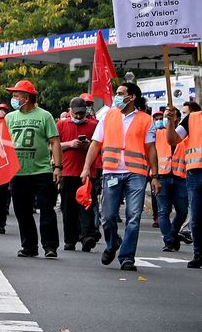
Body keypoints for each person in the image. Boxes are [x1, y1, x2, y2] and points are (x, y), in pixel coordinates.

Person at [81, 82, 159, 271]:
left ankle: (127, 257)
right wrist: (86, 168)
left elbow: (151, 149)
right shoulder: (108, 116)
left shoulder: (146, 120)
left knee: (134, 216)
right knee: (108, 217)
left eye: (120, 93)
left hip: (136, 174)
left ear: (131, 97)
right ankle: (112, 243)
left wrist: (155, 176)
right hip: (111, 172)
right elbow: (95, 144)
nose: (116, 96)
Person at [3, 80, 62, 259]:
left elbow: (54, 142)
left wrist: (58, 167)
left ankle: (50, 246)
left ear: (26, 98)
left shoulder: (45, 116)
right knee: (22, 211)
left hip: (42, 171)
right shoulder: (9, 117)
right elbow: (4, 142)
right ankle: (29, 246)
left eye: (16, 95)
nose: (13, 98)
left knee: (46, 209)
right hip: (18, 172)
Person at [57, 96, 100, 252]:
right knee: (68, 208)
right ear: (70, 111)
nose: (79, 116)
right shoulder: (61, 125)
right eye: (76, 114)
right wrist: (70, 144)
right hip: (68, 172)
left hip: (87, 173)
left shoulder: (95, 125)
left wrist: (89, 145)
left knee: (87, 205)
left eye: (82, 114)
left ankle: (87, 236)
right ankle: (70, 239)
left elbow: (100, 146)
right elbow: (52, 146)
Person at [166, 106, 202, 269]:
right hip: (195, 174)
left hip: (194, 175)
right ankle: (199, 253)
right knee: (196, 219)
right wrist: (170, 121)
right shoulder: (192, 118)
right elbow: (173, 140)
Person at [155, 105, 191, 252]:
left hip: (180, 178)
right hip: (162, 176)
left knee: (182, 211)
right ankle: (169, 241)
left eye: (171, 115)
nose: (166, 118)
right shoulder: (157, 134)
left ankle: (173, 234)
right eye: (165, 115)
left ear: (177, 119)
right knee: (163, 211)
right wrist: (153, 177)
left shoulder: (186, 135)